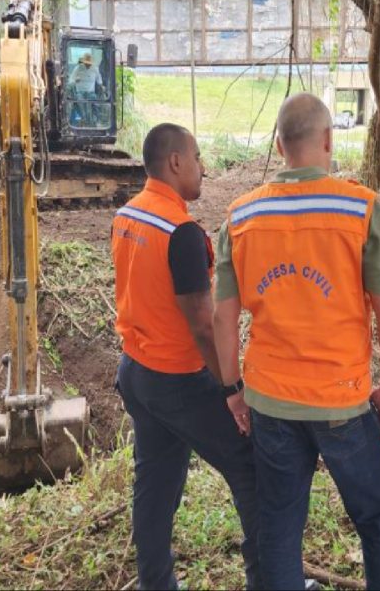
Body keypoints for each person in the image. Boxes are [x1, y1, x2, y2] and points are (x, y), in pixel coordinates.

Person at [213, 93, 380, 590]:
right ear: (328, 139)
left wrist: (233, 390)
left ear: (280, 146)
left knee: (279, 529)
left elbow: (222, 317)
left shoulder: (240, 216)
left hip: (270, 401)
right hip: (341, 400)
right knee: (377, 519)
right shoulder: (360, 208)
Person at [111, 123, 261, 590]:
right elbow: (202, 324)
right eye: (197, 158)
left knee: (154, 483)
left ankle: (154, 582)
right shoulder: (182, 232)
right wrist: (232, 389)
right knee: (251, 467)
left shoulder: (127, 215)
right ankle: (272, 577)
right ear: (176, 162)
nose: (203, 167)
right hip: (178, 379)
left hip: (136, 372)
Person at [70, 52, 103, 126]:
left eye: (89, 64)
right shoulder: (78, 68)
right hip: (80, 92)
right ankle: (79, 121)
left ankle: (97, 121)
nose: (88, 65)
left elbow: (99, 80)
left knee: (95, 103)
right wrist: (75, 80)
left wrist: (102, 86)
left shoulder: (95, 69)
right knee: (78, 103)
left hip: (91, 92)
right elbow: (71, 80)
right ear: (84, 62)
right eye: (86, 63)